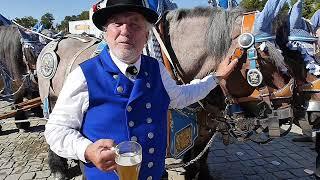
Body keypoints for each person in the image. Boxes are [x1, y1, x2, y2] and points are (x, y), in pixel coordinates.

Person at [44, 0, 238, 179]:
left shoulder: (156, 69)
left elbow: (180, 96)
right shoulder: (83, 75)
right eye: (117, 23)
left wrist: (216, 77)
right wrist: (86, 150)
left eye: (135, 24)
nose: (125, 31)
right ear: (106, 33)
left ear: (146, 36)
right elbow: (56, 130)